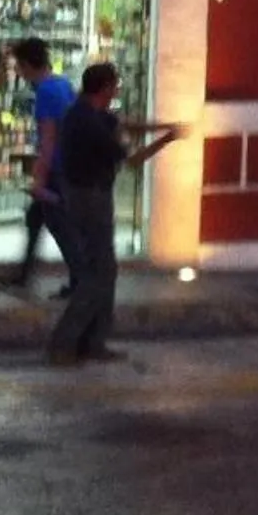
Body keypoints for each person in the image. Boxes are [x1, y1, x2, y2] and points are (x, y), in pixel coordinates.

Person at [46, 62, 178, 368]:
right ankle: (65, 342)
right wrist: (168, 139)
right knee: (98, 274)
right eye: (115, 85)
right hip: (89, 199)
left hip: (86, 196)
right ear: (104, 88)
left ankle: (93, 341)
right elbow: (133, 160)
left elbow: (124, 124)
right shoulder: (90, 124)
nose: (118, 89)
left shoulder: (85, 112)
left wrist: (162, 125)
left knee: (105, 269)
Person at [13, 38, 78, 294]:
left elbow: (48, 141)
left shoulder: (45, 93)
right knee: (35, 219)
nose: (17, 71)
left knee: (60, 227)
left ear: (28, 65)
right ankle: (23, 275)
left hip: (56, 170)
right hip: (68, 165)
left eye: (19, 65)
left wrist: (38, 179)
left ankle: (80, 280)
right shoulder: (62, 84)